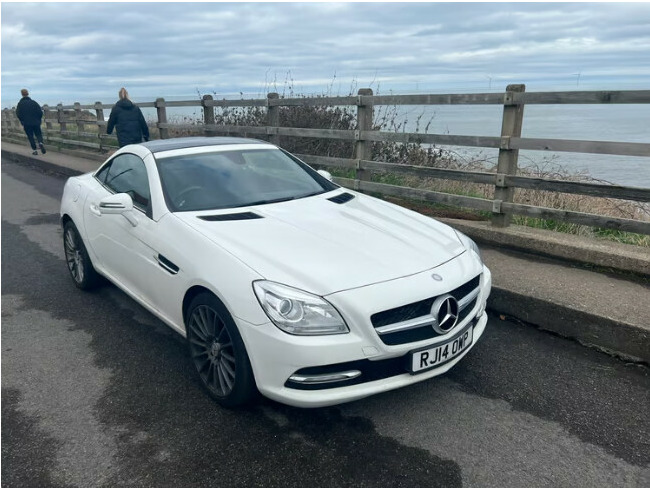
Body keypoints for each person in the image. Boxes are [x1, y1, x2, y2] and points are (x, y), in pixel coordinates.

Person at [16, 89, 46, 155]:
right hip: (36, 122)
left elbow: (18, 114)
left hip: (27, 123)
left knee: (30, 136)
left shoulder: (20, 104)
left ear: (22, 94)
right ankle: (40, 143)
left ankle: (35, 150)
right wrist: (38, 119)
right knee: (38, 133)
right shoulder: (34, 102)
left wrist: (22, 121)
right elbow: (40, 112)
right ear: (28, 93)